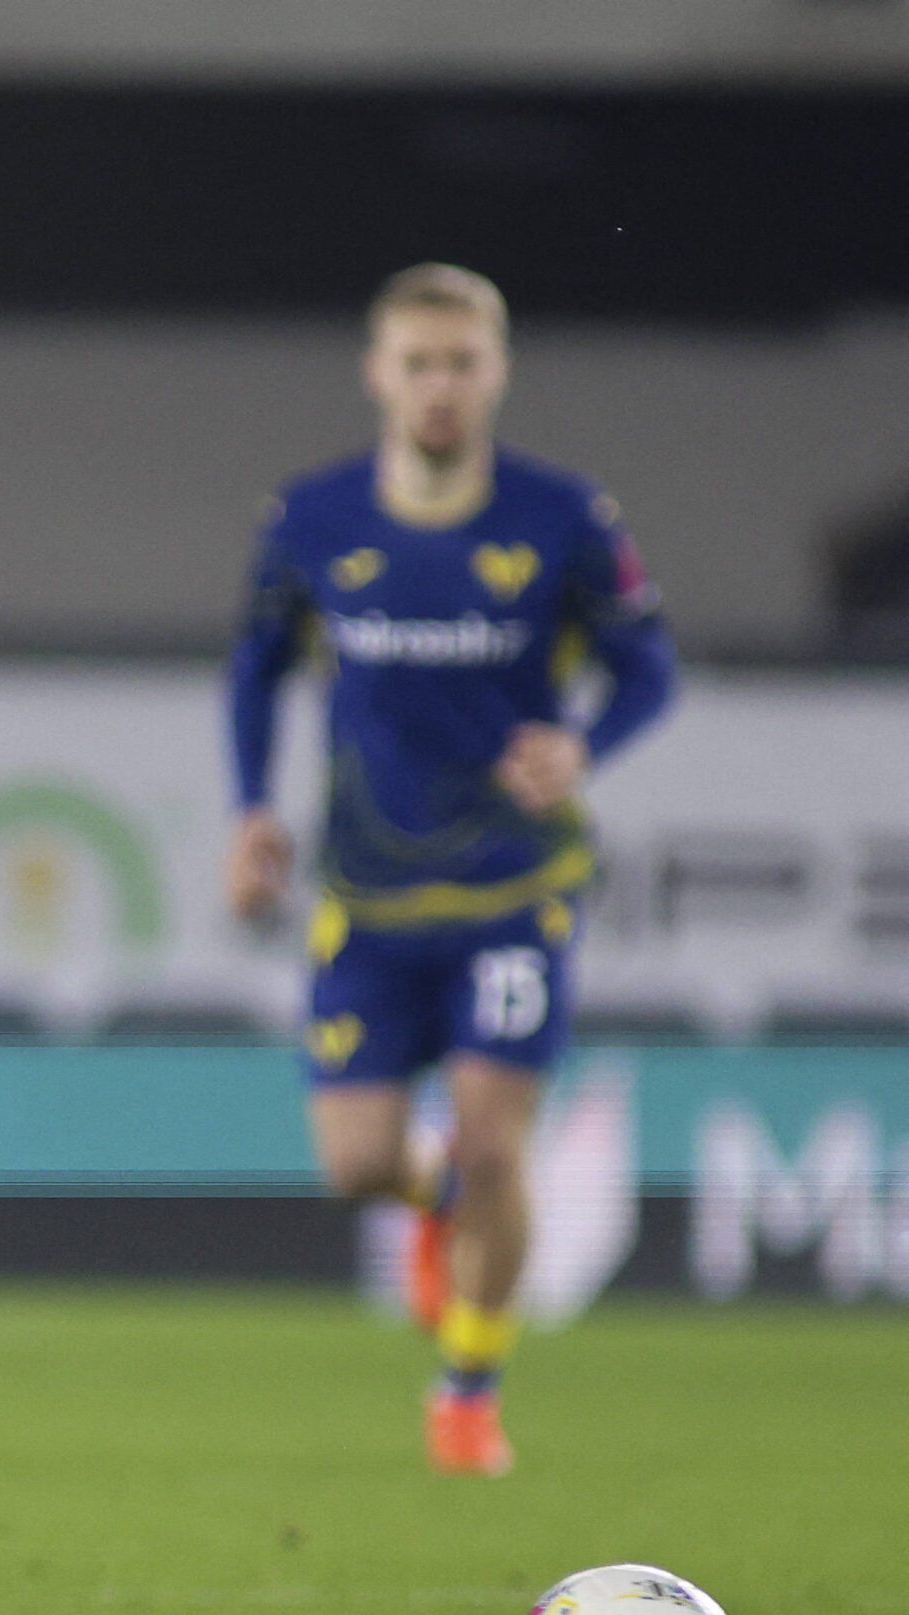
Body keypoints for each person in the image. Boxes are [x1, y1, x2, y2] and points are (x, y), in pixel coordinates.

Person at [221, 265, 675, 1476]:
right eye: (416, 362)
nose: (438, 385)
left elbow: (649, 670)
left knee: (492, 1141)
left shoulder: (562, 516)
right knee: (357, 1161)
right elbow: (256, 668)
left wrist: (582, 744)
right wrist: (251, 809)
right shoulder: (311, 520)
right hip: (364, 893)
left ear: (495, 371)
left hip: (513, 888)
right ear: (378, 372)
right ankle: (433, 1208)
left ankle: (467, 1389)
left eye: (460, 362)